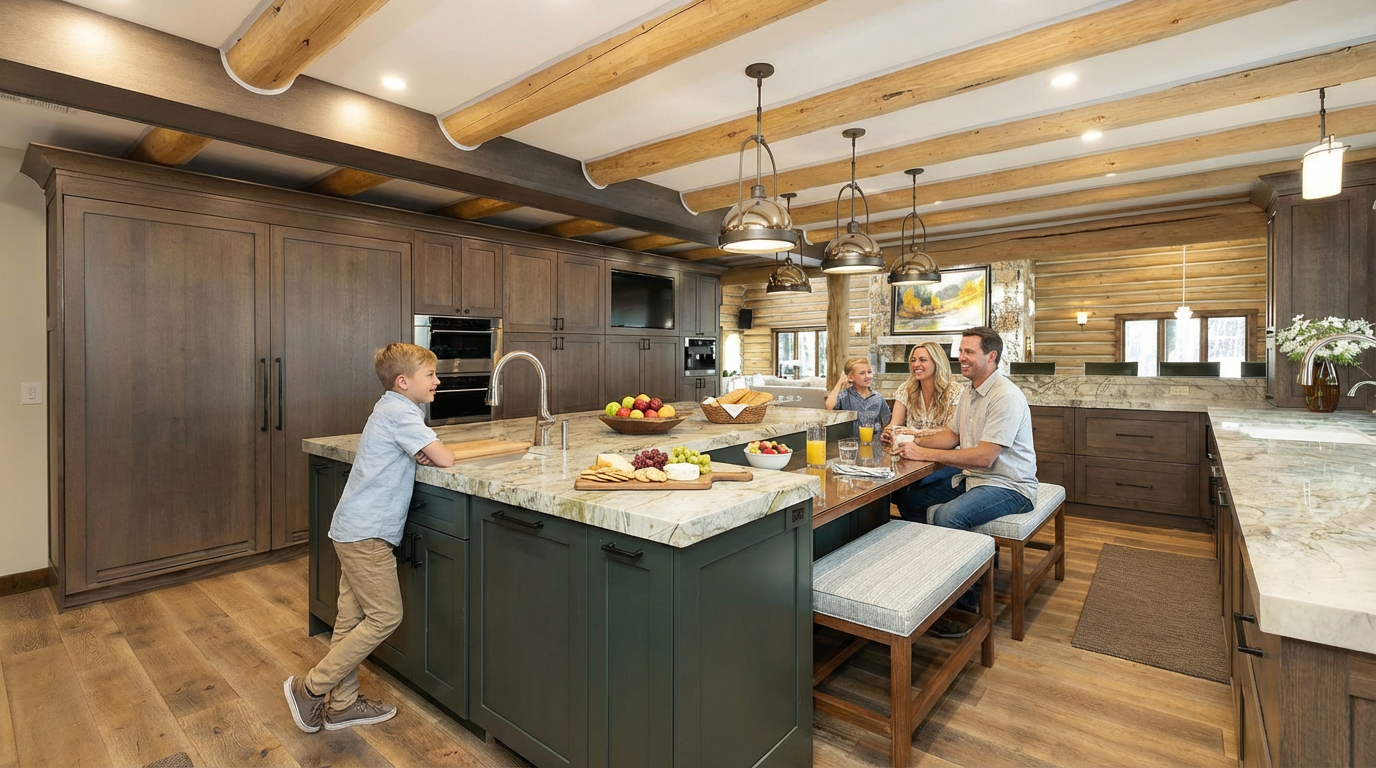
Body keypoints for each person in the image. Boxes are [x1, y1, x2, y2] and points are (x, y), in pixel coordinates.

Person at [284, 342, 456, 733]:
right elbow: (444, 457)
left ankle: (341, 706)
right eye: (430, 375)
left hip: (351, 529)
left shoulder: (390, 409)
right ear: (403, 382)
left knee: (351, 619)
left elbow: (425, 451)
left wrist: (423, 451)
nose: (437, 380)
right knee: (386, 616)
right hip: (369, 536)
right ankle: (309, 689)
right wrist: (429, 451)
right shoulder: (403, 414)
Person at [892, 327, 1038, 636]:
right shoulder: (971, 390)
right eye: (961, 351)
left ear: (991, 356)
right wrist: (918, 446)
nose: (961, 357)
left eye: (969, 352)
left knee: (950, 515)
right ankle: (945, 569)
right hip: (975, 480)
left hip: (1009, 485)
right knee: (908, 501)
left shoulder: (1005, 397)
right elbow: (952, 436)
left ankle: (964, 606)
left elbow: (985, 457)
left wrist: (924, 451)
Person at [882, 341, 965, 486]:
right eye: (913, 360)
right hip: (911, 455)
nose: (916, 365)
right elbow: (894, 424)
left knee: (911, 487)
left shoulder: (955, 391)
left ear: (937, 362)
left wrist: (913, 434)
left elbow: (949, 433)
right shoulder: (906, 389)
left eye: (923, 360)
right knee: (888, 482)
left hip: (946, 459)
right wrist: (889, 433)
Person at [825, 357, 891, 439]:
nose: (868, 376)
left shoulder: (878, 398)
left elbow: (888, 422)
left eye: (869, 372)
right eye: (862, 373)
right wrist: (840, 382)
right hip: (850, 444)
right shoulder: (844, 395)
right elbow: (829, 406)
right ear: (851, 377)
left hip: (873, 444)